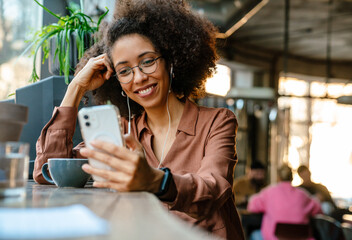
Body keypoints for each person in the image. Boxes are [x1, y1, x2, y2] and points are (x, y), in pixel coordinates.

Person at [32, 0, 244, 239]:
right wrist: (76, 88)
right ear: (117, 81)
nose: (139, 77)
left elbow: (212, 191)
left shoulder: (217, 122)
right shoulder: (122, 129)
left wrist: (155, 181)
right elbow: (47, 172)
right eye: (124, 70)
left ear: (171, 61)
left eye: (147, 61)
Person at [247, 164, 322, 240]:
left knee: (254, 234)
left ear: (278, 178)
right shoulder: (303, 194)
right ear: (292, 178)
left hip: (274, 238)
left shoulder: (269, 192)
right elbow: (318, 208)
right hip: (302, 238)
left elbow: (252, 206)